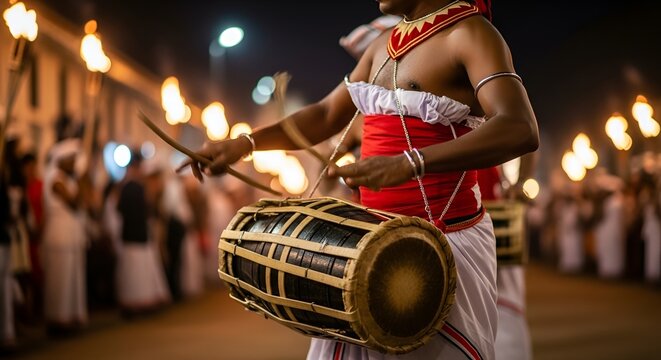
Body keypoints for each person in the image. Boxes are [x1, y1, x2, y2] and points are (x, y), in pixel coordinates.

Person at [181, 0, 539, 358]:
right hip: (369, 241)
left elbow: (519, 127)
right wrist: (245, 144)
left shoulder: (471, 34)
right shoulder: (381, 44)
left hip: (445, 242)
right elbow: (325, 114)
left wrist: (410, 163)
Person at [41, 139, 88, 333]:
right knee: (60, 280)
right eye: (71, 159)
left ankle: (70, 317)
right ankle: (57, 319)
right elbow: (73, 202)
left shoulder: (68, 178)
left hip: (71, 234)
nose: (74, 163)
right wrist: (82, 179)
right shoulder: (54, 177)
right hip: (59, 234)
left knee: (72, 278)